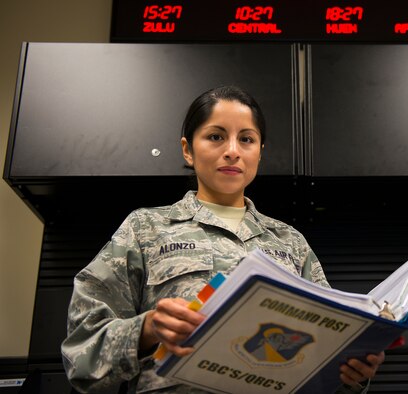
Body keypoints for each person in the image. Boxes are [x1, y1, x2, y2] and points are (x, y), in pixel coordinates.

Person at [61, 85, 385, 393]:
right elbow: (81, 355)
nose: (232, 151)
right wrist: (146, 330)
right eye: (216, 136)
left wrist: (352, 375)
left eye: (246, 139)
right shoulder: (145, 228)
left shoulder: (291, 243)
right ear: (188, 149)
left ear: (260, 152)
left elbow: (324, 360)